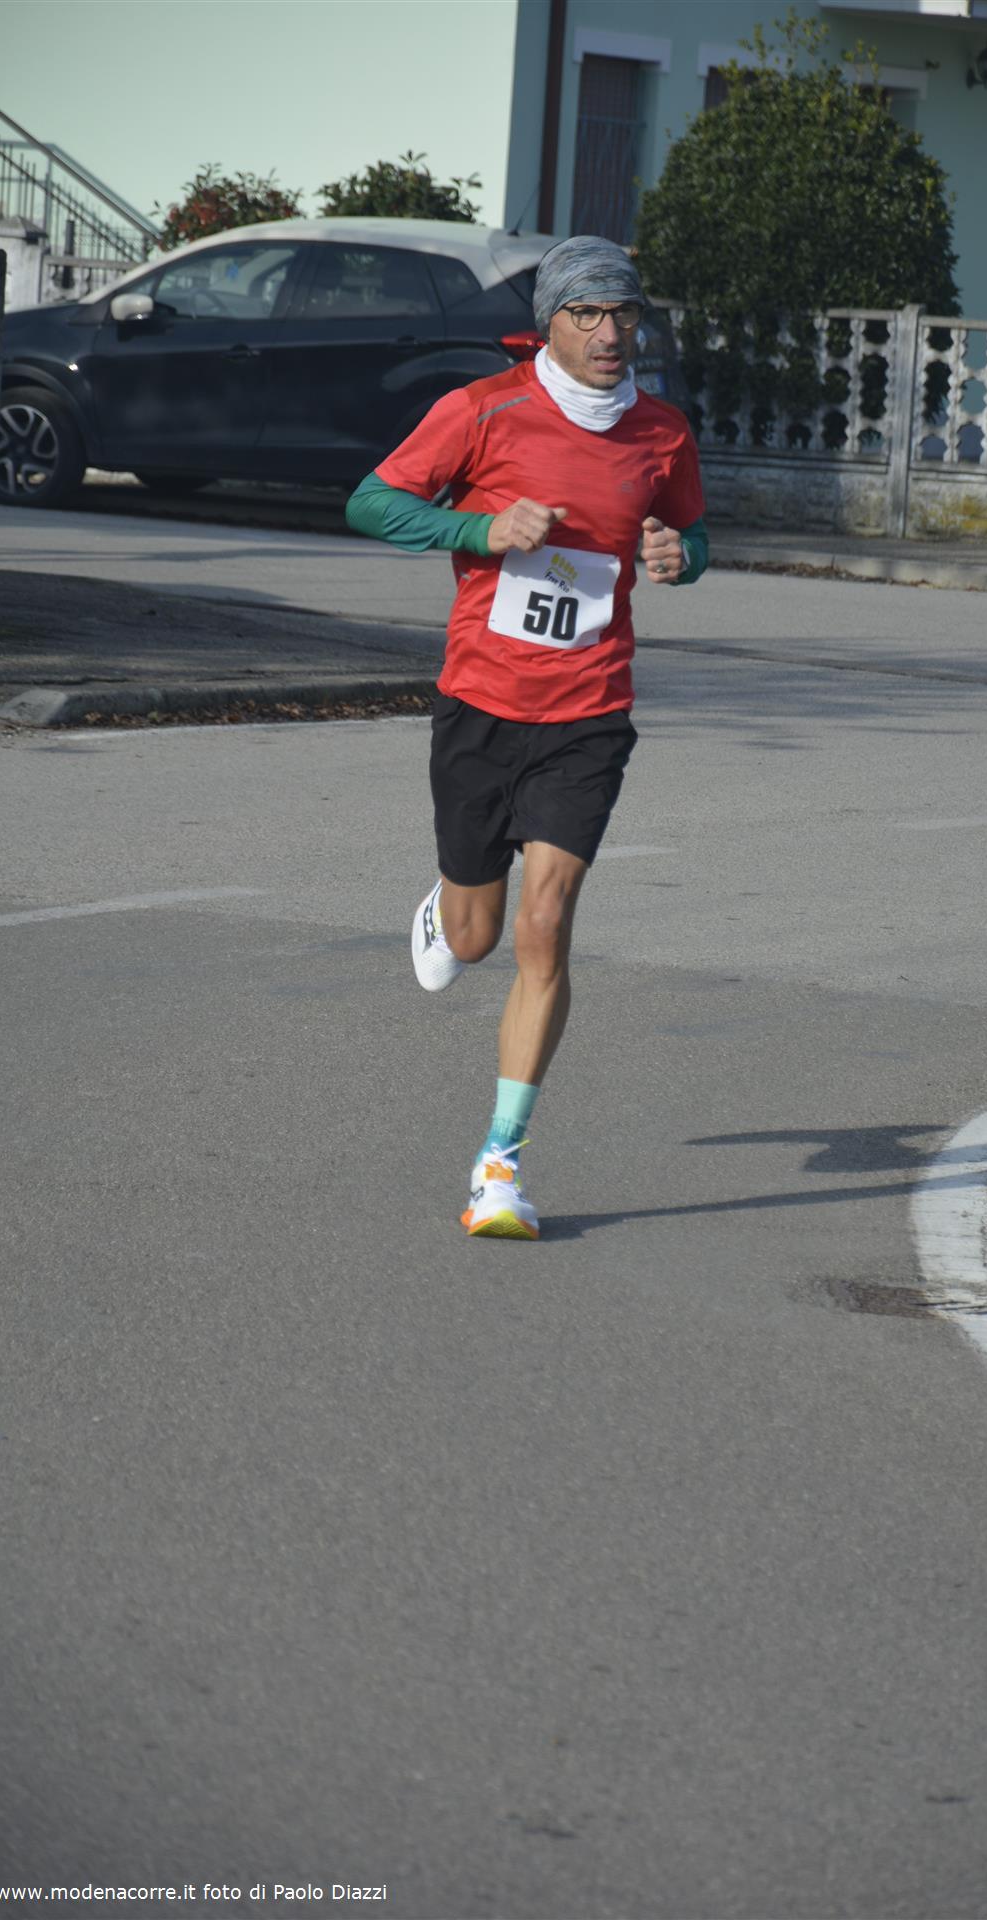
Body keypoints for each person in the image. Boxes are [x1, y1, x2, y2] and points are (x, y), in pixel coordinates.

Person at [346, 235, 708, 1240]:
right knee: (476, 938)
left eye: (623, 312)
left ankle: (498, 1164)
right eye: (586, 313)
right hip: (480, 703)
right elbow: (370, 501)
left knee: (545, 925)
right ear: (549, 322)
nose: (608, 331)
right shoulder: (483, 410)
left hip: (589, 712)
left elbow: (691, 531)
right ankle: (448, 908)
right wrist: (479, 530)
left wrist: (682, 555)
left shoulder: (661, 432)